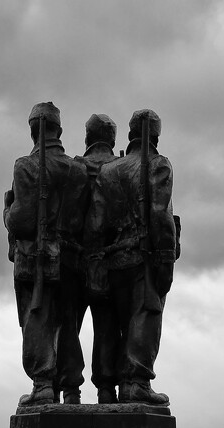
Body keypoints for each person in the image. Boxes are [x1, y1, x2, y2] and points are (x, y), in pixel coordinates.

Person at [88, 109, 178, 404]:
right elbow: (160, 217)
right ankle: (136, 383)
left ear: (130, 136)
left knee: (110, 325)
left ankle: (107, 388)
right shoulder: (158, 165)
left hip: (114, 260)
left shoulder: (109, 171)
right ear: (155, 136)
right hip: (145, 258)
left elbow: (96, 224)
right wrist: (165, 260)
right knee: (145, 315)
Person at [3, 102, 89, 405]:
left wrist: (7, 209)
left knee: (38, 319)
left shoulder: (24, 166)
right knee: (68, 324)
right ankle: (71, 389)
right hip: (72, 260)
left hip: (35, 259)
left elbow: (22, 220)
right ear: (59, 130)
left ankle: (43, 385)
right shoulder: (78, 170)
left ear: (32, 130)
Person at [75, 114, 120, 404]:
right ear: (113, 140)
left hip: (74, 259)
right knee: (107, 326)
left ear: (87, 138)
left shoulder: (74, 167)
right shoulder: (121, 169)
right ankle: (106, 388)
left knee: (67, 326)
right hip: (112, 258)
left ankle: (69, 390)